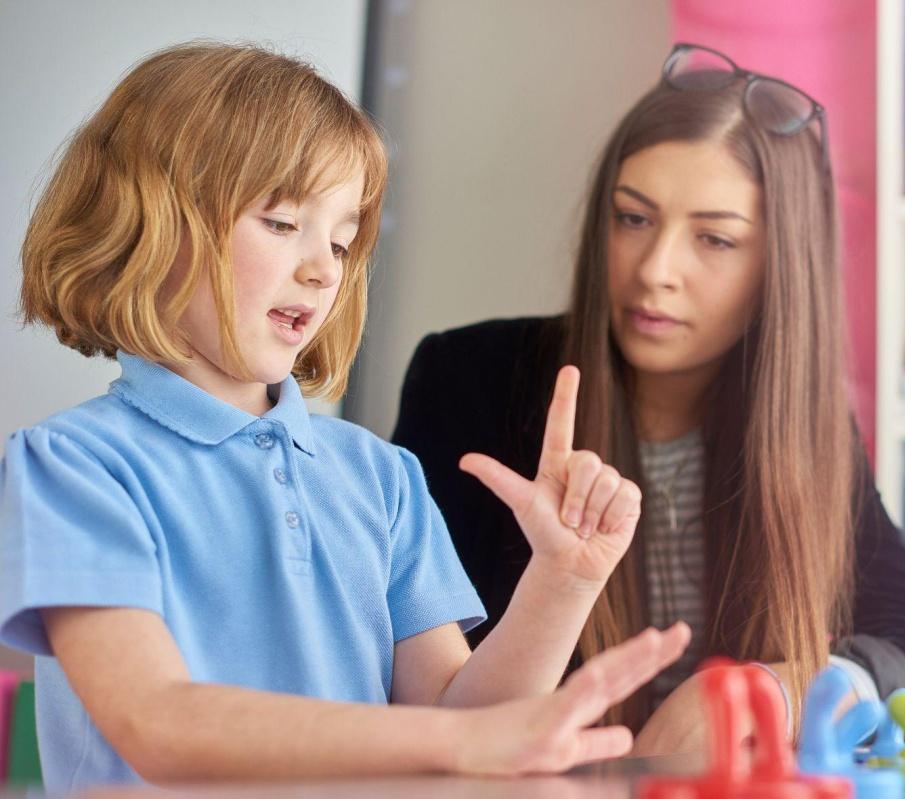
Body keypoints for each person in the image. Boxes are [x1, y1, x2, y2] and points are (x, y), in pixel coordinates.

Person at [0, 42, 689, 792]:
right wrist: (463, 739)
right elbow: (157, 724)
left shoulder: (381, 477)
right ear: (152, 222)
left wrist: (561, 580)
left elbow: (457, 724)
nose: (324, 268)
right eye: (281, 222)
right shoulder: (72, 466)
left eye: (342, 241)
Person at [395, 43, 905, 756]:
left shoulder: (803, 425)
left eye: (714, 239)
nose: (656, 271)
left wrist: (776, 691)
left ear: (780, 266)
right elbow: (413, 672)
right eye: (633, 219)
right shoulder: (466, 378)